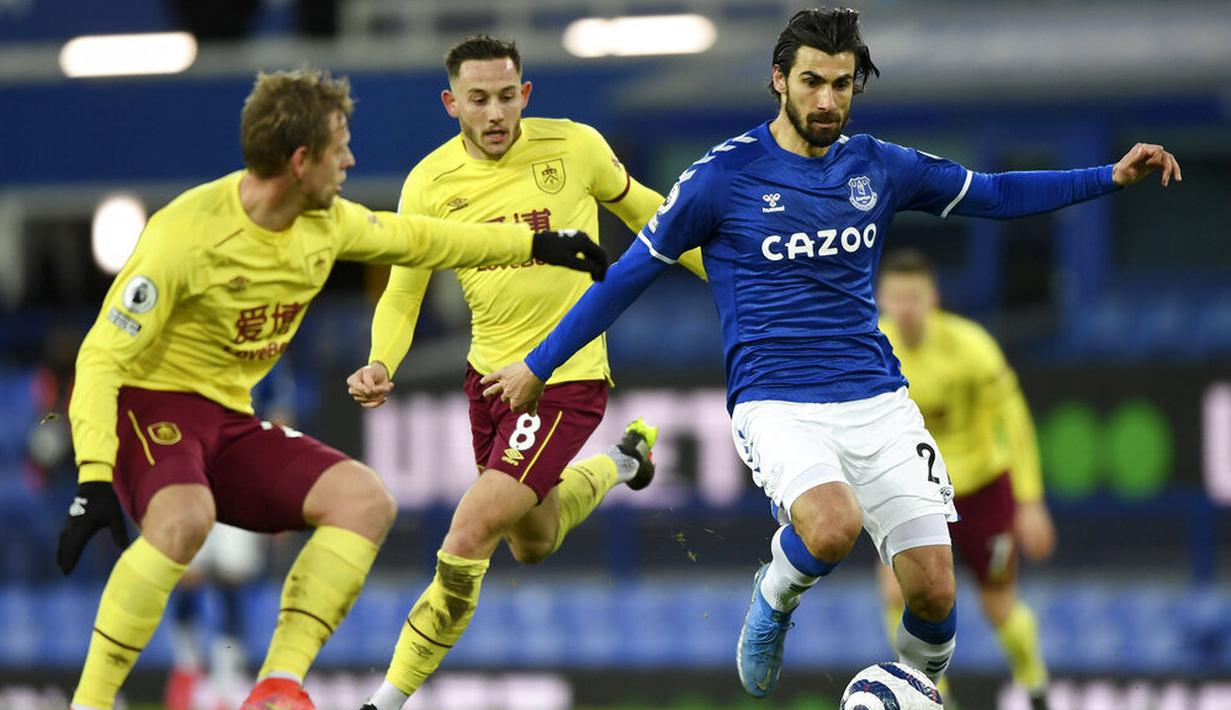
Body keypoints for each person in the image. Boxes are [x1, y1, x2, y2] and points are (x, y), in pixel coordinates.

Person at [478, 6, 1180, 700]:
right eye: (812, 81)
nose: (826, 99)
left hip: (876, 398)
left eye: (841, 84)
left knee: (934, 589)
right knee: (832, 525)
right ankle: (773, 596)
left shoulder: (877, 166)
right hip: (776, 401)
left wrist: (1107, 178)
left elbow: (993, 193)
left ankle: (919, 692)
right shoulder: (721, 178)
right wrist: (539, 365)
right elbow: (628, 272)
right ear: (777, 79)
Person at [55, 66, 607, 710]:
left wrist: (539, 243)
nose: (350, 158)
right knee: (186, 520)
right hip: (152, 407)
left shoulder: (328, 223)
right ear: (299, 160)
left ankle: (277, 686)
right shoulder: (185, 235)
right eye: (339, 145)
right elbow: (98, 358)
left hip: (229, 419)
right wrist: (93, 477)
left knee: (364, 501)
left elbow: (423, 238)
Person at [345, 35, 705, 710]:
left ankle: (383, 702)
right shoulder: (428, 183)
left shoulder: (574, 148)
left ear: (525, 94)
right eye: (477, 99)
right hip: (487, 382)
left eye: (506, 96)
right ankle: (625, 464)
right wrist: (380, 361)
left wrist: (736, 277)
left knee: (467, 533)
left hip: (563, 378)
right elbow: (404, 289)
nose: (494, 113)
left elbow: (652, 218)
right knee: (532, 542)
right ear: (452, 103)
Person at [876, 249, 1055, 709]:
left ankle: (1034, 685)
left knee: (998, 606)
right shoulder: (874, 347)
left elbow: (1013, 420)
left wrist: (1030, 501)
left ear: (933, 298)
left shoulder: (971, 346)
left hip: (981, 492)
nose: (906, 308)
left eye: (914, 296)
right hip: (915, 494)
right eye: (896, 298)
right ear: (881, 301)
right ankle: (936, 698)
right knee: (898, 593)